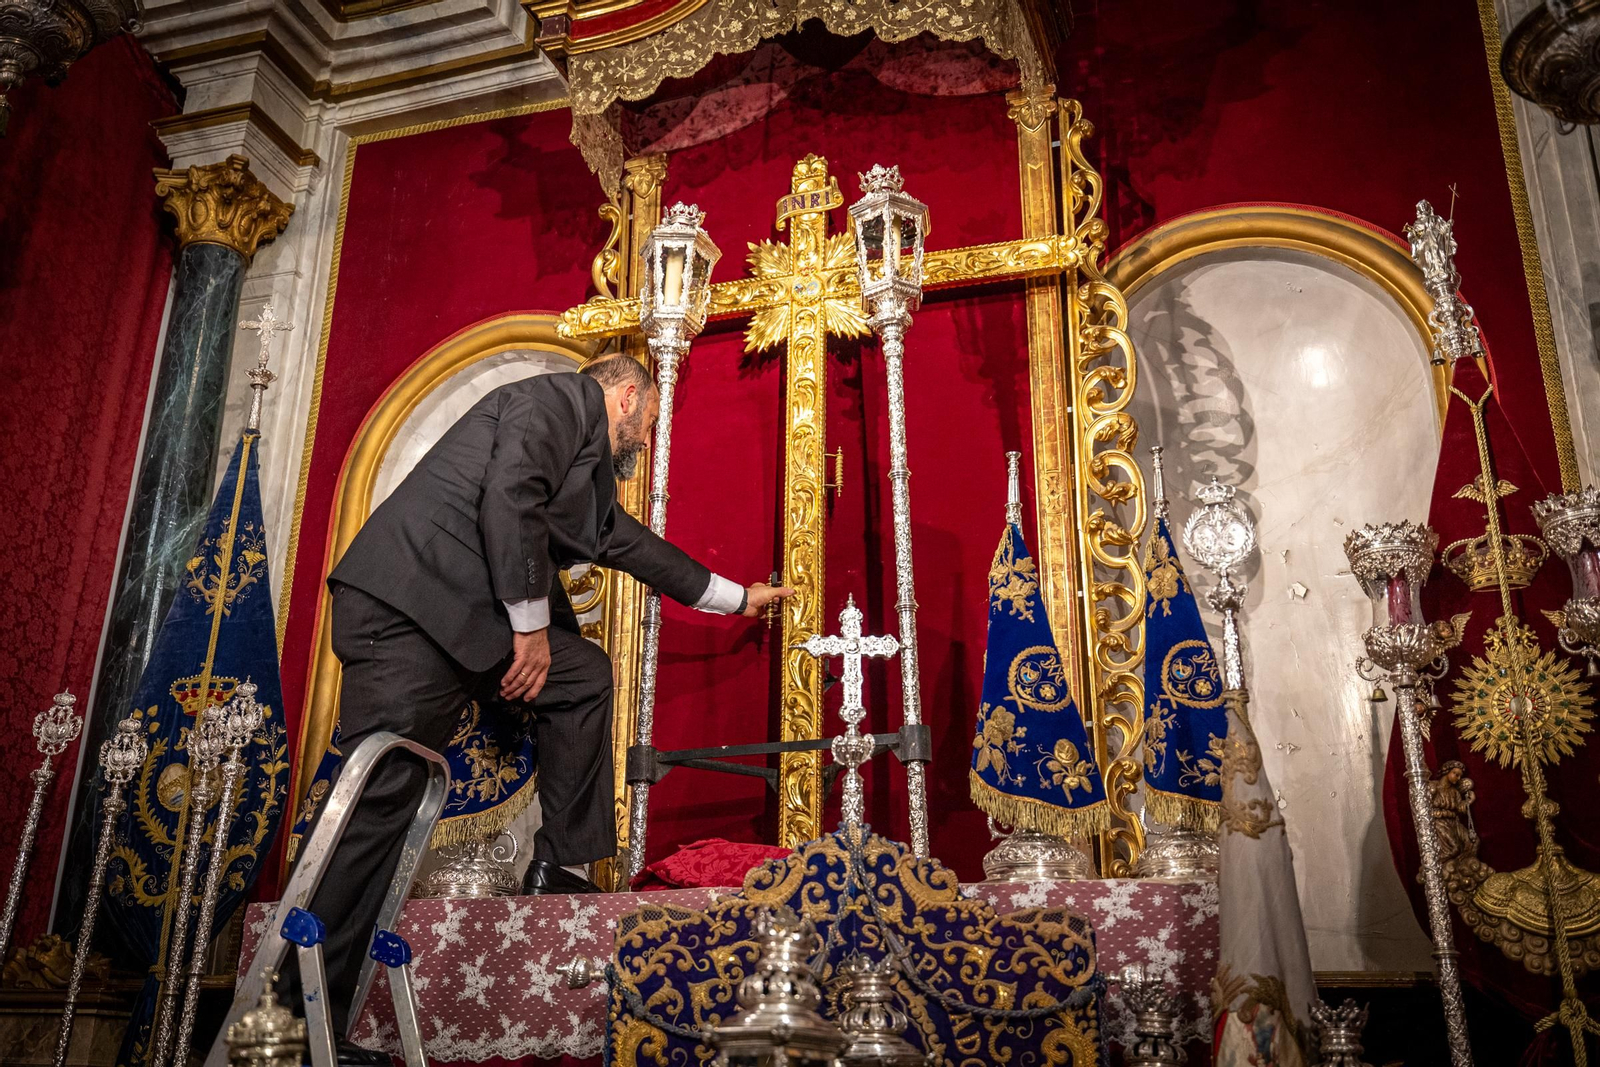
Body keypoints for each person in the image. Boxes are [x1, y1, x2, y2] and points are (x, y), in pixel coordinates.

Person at [300, 353, 791, 1060]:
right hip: (408, 610)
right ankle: (295, 1025)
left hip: (462, 623)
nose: (646, 440)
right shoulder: (555, 399)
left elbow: (629, 544)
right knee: (380, 804)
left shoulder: (584, 469)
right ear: (626, 397)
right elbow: (509, 496)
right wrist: (529, 629)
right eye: (648, 423)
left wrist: (735, 597)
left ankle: (557, 863)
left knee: (582, 674)